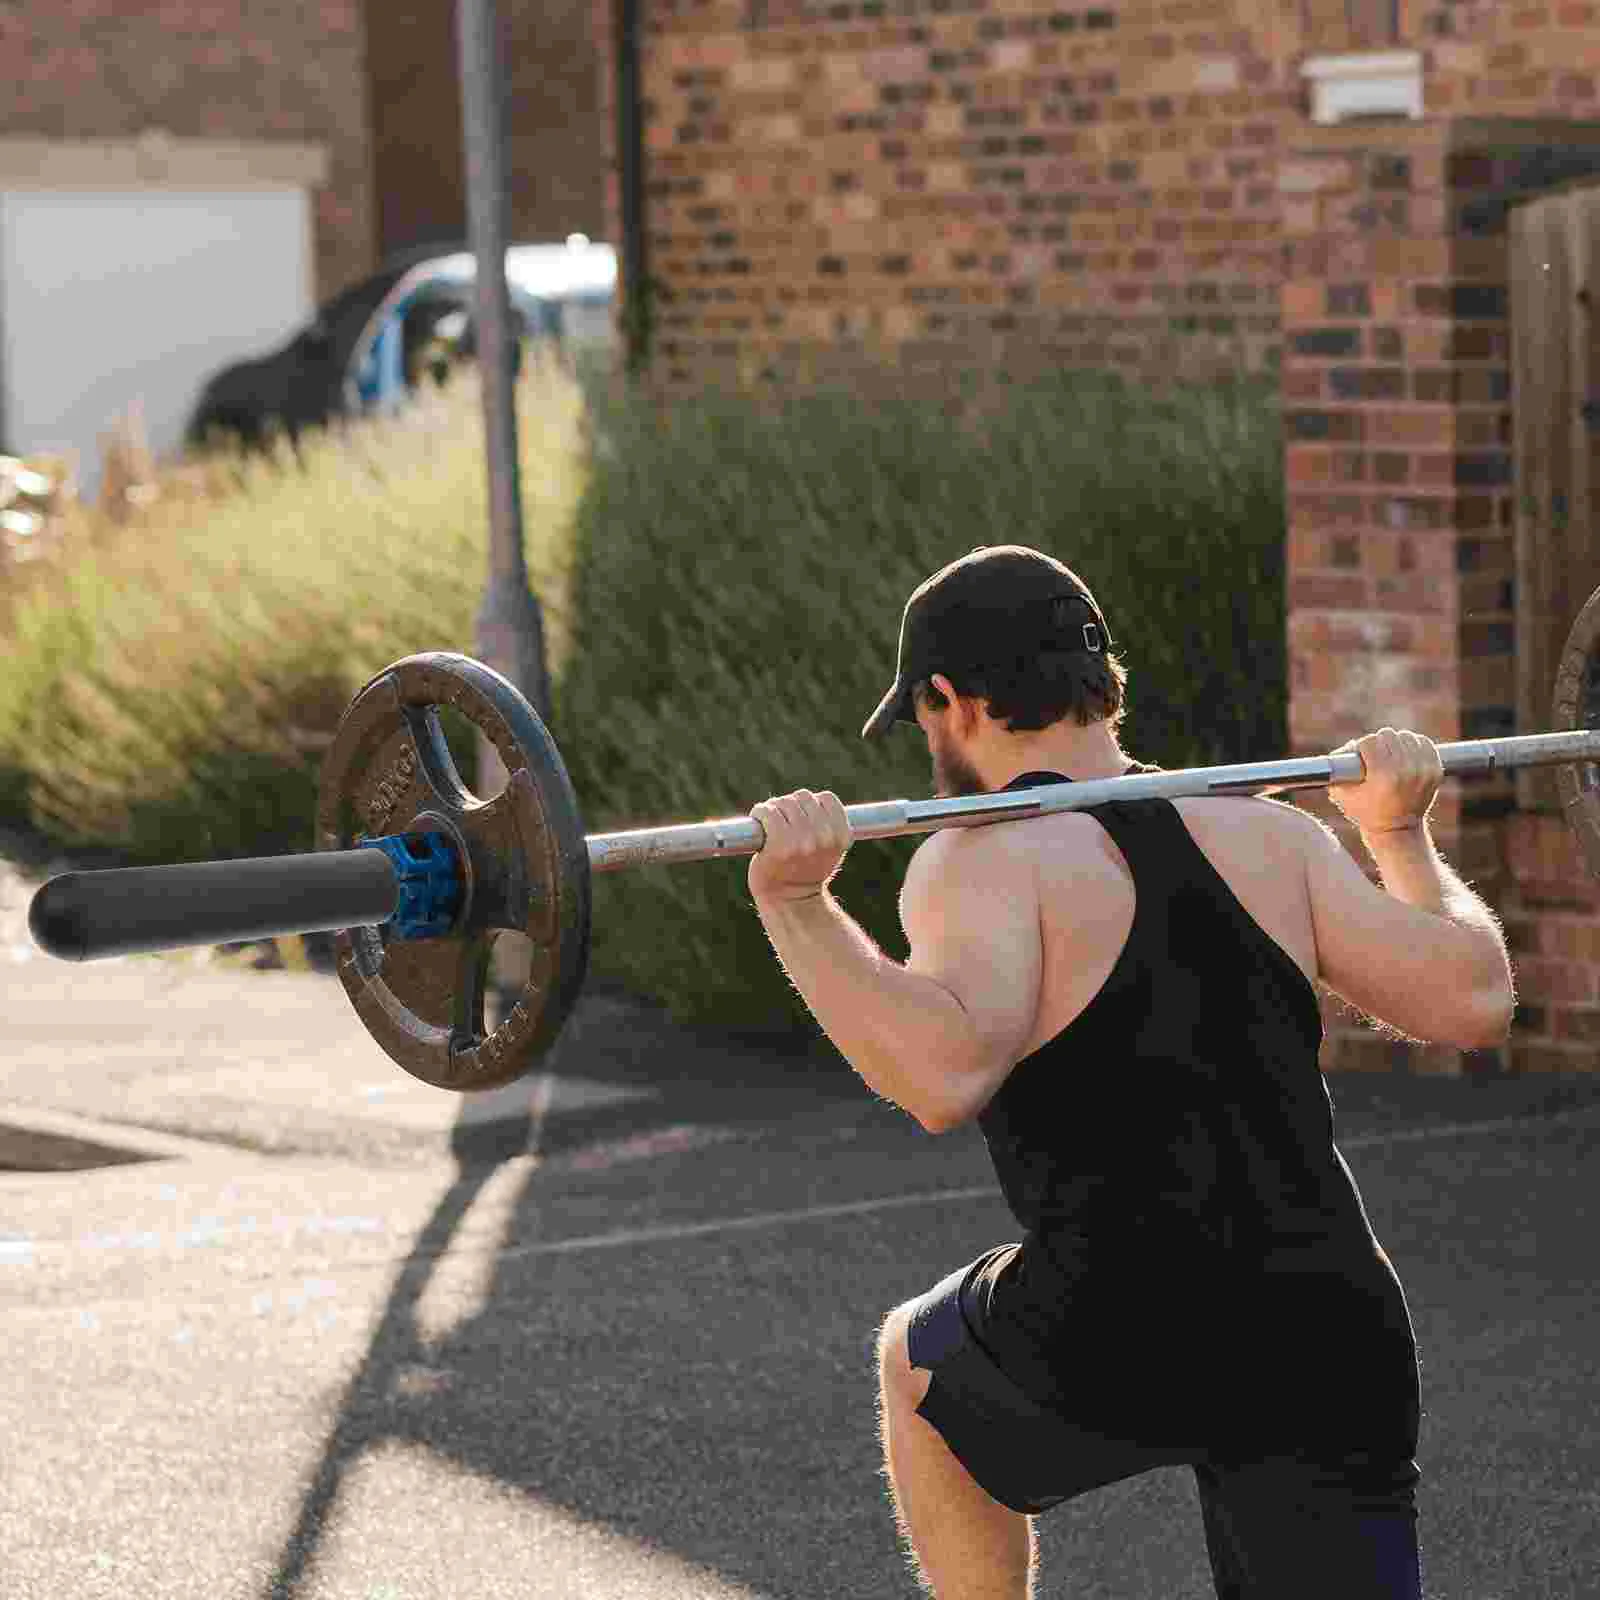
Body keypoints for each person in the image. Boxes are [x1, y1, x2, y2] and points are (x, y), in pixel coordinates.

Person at [746, 545, 1516, 1600]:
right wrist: (1397, 833)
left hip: (1118, 1324)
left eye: (923, 717)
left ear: (945, 699)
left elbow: (939, 1073)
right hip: (1326, 1322)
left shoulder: (984, 858)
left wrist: (796, 906)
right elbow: (1474, 995)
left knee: (915, 1366)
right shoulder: (1268, 832)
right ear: (1099, 682)